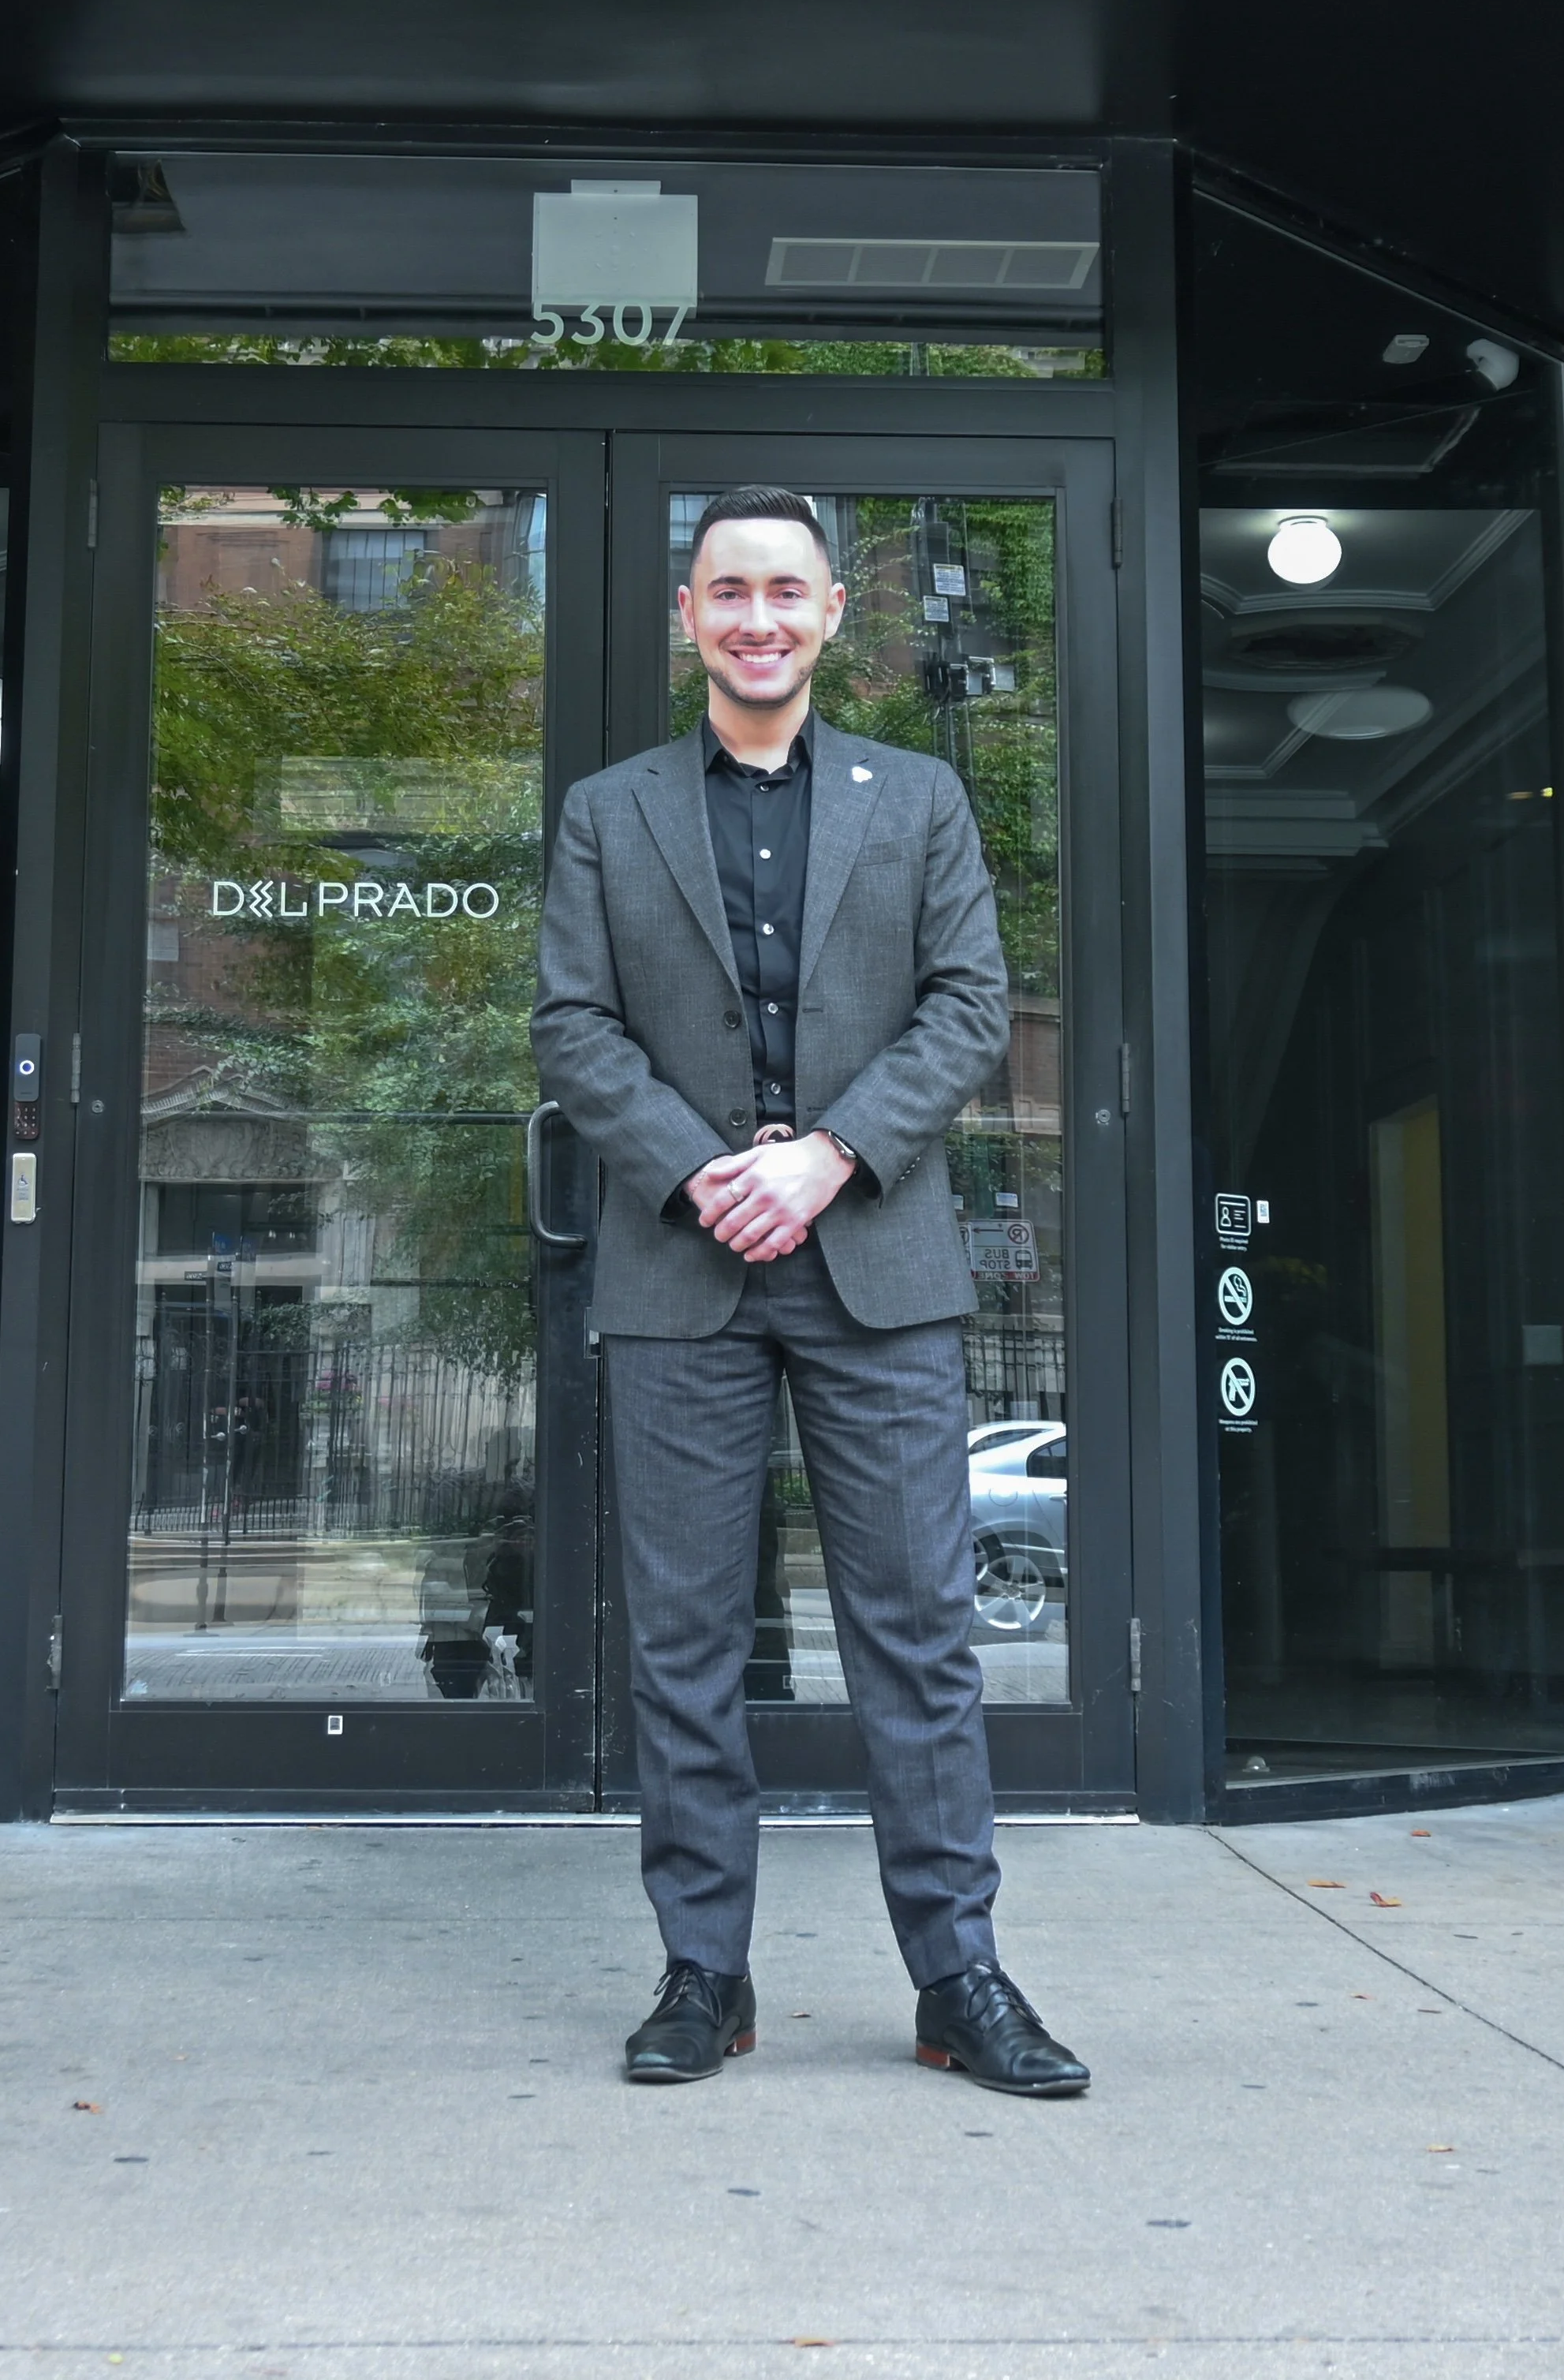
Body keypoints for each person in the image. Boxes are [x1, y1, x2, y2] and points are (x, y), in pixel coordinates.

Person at [532, 485, 1088, 2098]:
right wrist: (704, 1167)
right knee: (689, 1642)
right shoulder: (606, 808)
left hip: (878, 1267)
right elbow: (573, 1027)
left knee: (916, 1635)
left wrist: (825, 1155)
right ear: (686, 617)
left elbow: (967, 1007)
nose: (758, 616)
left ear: (833, 611)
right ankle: (704, 1969)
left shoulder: (913, 799)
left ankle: (954, 1975)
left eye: (787, 589)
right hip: (676, 1264)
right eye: (729, 591)